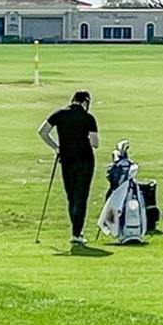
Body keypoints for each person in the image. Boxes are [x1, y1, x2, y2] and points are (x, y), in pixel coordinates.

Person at [38, 90, 99, 245]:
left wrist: (57, 147)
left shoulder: (59, 114)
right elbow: (95, 143)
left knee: (71, 196)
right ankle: (77, 233)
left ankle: (76, 231)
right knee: (81, 197)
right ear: (85, 102)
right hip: (85, 161)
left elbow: (43, 132)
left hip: (67, 160)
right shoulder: (88, 118)